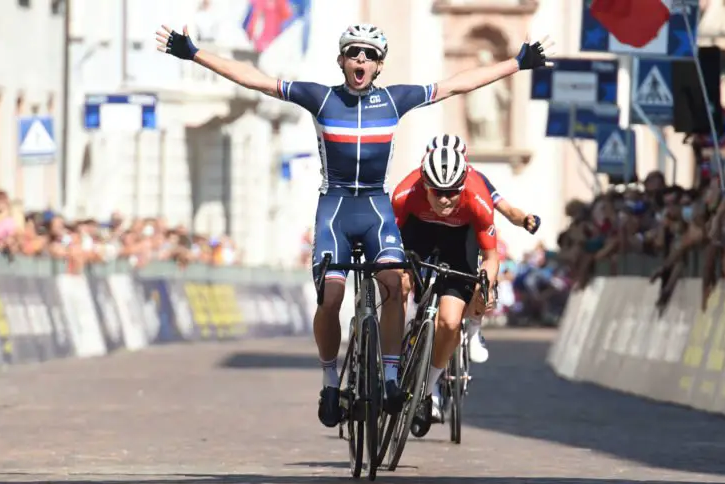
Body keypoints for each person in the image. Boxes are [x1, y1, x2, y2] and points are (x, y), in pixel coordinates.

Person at [155, 23, 552, 429]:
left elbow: (456, 85)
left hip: (376, 209)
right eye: (353, 53)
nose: (361, 59)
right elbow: (254, 80)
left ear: (379, 66)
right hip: (336, 209)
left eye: (370, 55)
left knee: (395, 286)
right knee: (330, 298)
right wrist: (194, 53)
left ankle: (392, 377)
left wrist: (517, 63)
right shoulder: (321, 98)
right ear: (341, 61)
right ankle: (330, 382)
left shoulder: (394, 100)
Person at [392, 146, 517, 433]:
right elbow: (388, 241)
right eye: (437, 192)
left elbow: (491, 258)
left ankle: (429, 389)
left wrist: (485, 285)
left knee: (449, 322)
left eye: (452, 192)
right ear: (425, 185)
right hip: (418, 231)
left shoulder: (478, 198)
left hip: (460, 241)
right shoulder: (404, 193)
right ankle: (392, 355)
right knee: (399, 282)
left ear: (463, 186)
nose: (445, 199)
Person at [426, 134, 540, 362]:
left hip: (466, 232)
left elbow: (507, 209)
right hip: (432, 228)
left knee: (482, 277)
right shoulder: (425, 179)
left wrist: (524, 219)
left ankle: (474, 328)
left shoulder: (476, 180)